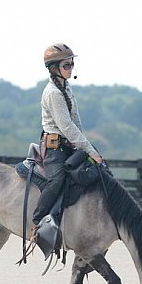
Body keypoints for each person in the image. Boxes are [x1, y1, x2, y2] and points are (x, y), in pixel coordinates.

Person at [32, 43, 104, 230]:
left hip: (70, 145)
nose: (71, 68)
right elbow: (66, 126)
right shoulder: (53, 93)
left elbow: (76, 122)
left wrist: (87, 147)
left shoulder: (67, 87)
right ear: (54, 68)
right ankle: (38, 222)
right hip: (54, 149)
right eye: (66, 65)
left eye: (71, 64)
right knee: (57, 180)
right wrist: (88, 148)